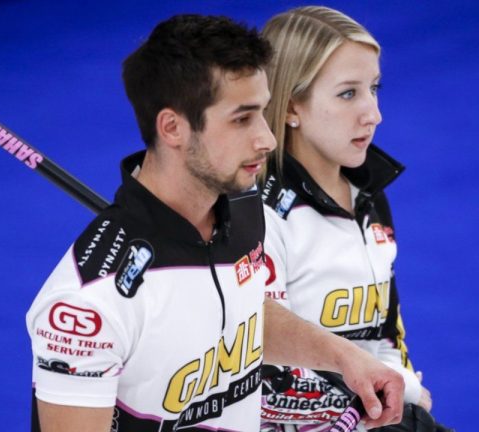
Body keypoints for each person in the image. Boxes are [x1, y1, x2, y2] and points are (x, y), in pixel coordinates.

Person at [26, 14, 406, 432]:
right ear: (173, 127)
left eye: (263, 112)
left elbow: (246, 311)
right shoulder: (88, 304)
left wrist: (347, 359)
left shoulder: (243, 213)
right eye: (242, 119)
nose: (268, 138)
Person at [259, 6, 450, 431]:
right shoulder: (261, 214)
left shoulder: (368, 195)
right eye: (348, 93)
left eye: (374, 89)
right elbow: (259, 366)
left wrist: (402, 399)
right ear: (291, 106)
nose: (373, 114)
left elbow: (384, 331)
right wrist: (401, 394)